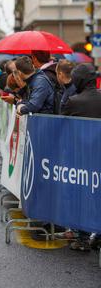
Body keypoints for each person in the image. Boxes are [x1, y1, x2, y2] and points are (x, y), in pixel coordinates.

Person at [63, 63, 101, 251]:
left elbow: (62, 119)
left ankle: (83, 238)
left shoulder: (74, 101)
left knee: (81, 196)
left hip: (80, 158)